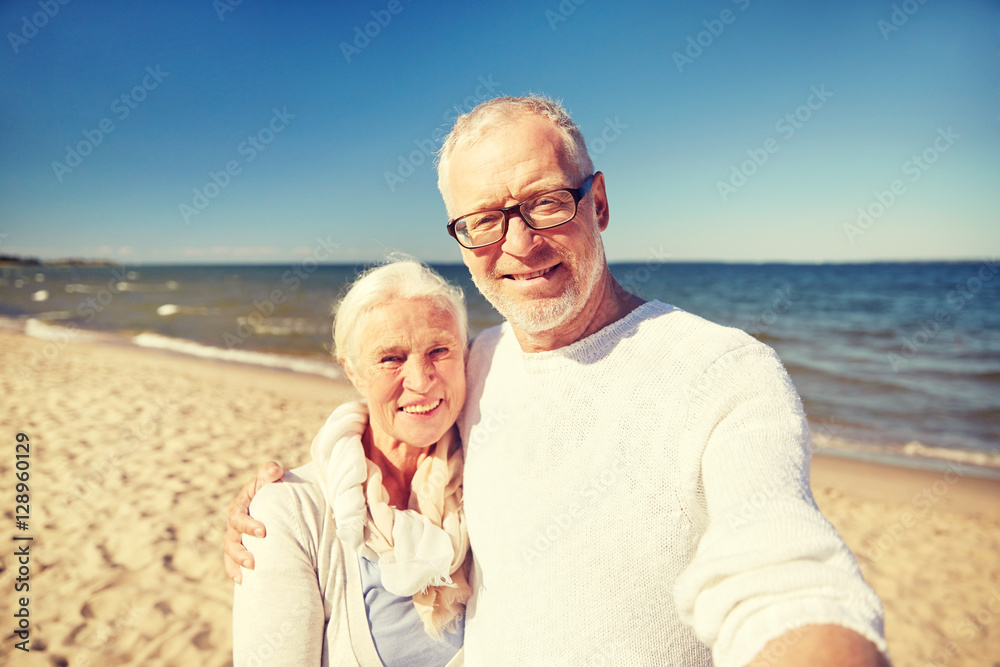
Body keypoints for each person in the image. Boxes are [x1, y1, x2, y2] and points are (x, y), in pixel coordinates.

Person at [226, 96, 891, 666]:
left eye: (545, 203)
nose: (518, 244)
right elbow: (388, 423)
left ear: (597, 202)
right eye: (483, 220)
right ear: (460, 237)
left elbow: (776, 565)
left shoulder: (722, 371)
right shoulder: (476, 363)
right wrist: (276, 500)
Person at [231, 258, 470, 666]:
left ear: (466, 352)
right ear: (353, 371)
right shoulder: (287, 512)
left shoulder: (491, 474)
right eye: (390, 358)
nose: (420, 378)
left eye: (439, 349)